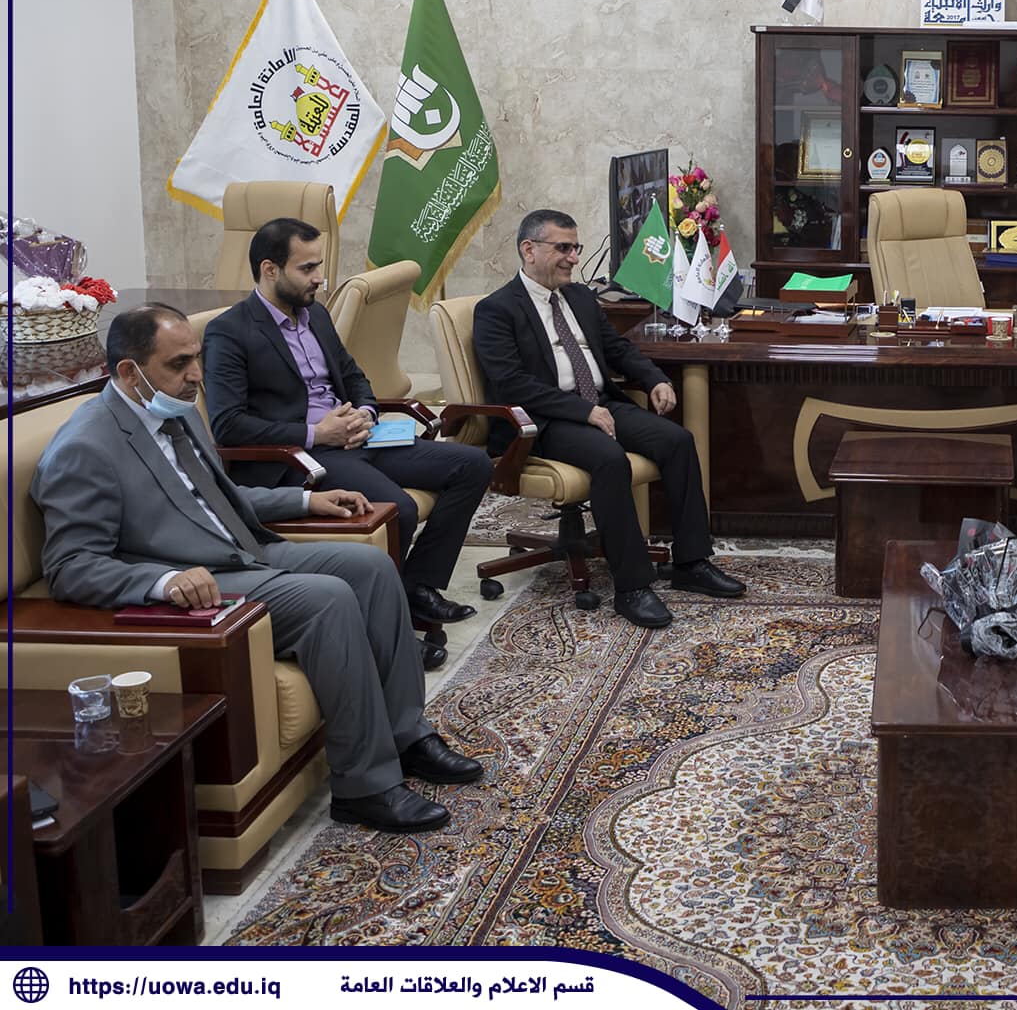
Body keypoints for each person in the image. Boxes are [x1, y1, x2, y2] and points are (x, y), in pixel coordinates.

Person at [30, 305, 482, 834]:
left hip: (243, 549)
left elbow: (216, 497)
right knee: (328, 599)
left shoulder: (176, 410)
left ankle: (408, 736)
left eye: (196, 358)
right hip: (197, 581)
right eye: (179, 364)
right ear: (130, 372)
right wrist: (162, 581)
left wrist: (305, 500)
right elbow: (71, 567)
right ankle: (365, 787)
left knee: (372, 567)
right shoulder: (84, 448)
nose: (196, 375)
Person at [203, 217, 493, 656]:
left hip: (358, 438)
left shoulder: (316, 314)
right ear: (270, 270)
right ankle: (392, 634)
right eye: (307, 268)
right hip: (301, 458)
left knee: (472, 465)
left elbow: (354, 376)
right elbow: (228, 424)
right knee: (398, 509)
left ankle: (417, 588)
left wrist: (365, 412)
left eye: (319, 266)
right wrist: (316, 432)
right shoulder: (230, 331)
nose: (319, 278)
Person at [472, 209, 745, 630]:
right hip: (543, 421)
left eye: (576, 247)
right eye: (563, 248)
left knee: (677, 441)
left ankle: (691, 563)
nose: (574, 258)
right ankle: (632, 587)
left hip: (598, 403)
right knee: (609, 459)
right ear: (529, 250)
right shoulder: (496, 310)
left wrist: (654, 379)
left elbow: (617, 350)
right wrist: (583, 411)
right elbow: (512, 384)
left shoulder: (580, 297)